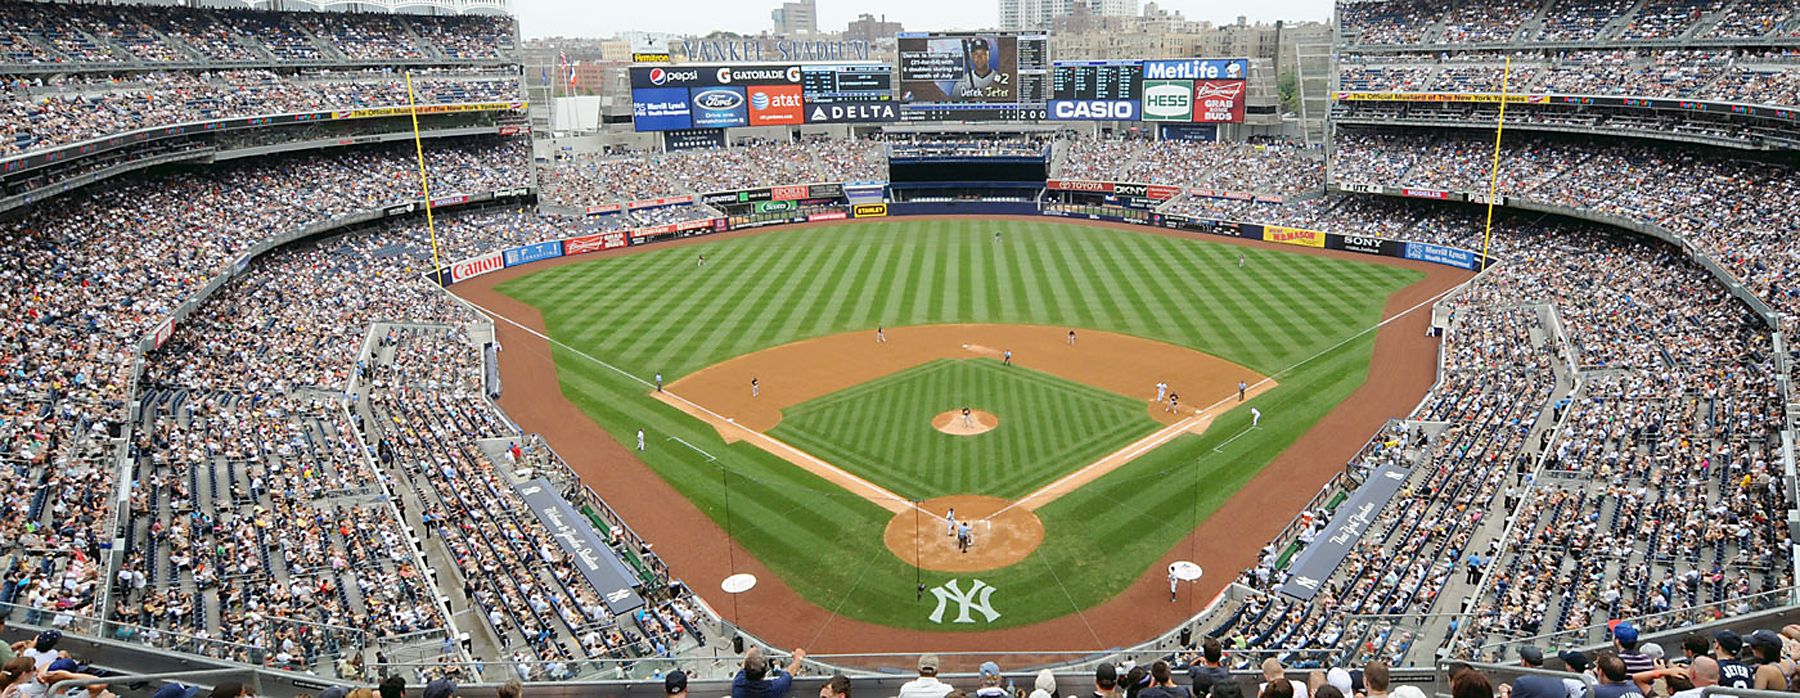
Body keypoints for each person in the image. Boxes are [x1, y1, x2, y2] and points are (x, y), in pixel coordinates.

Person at [732, 646, 804, 698]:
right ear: (765, 672)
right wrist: (799, 657)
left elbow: (744, 665)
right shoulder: (773, 688)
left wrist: (752, 654)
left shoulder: (738, 682)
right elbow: (791, 671)